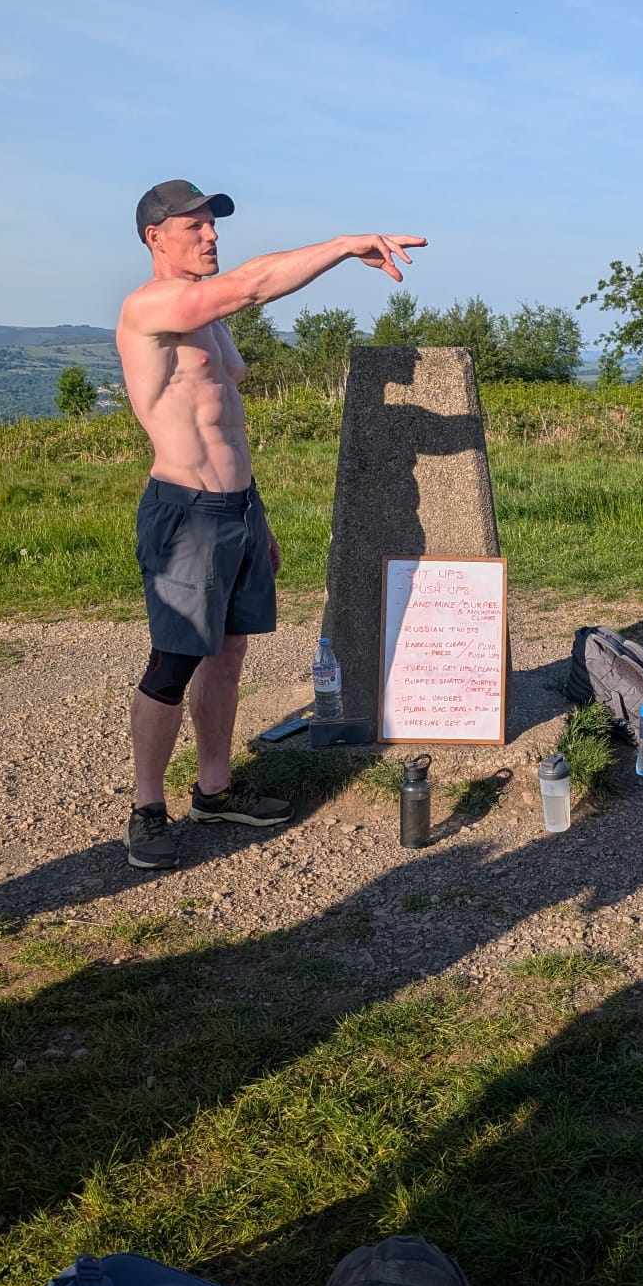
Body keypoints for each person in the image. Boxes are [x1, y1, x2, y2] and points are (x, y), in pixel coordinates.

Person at [117, 178, 425, 869]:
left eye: (212, 225)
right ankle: (145, 809)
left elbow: (224, 422)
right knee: (173, 662)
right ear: (154, 238)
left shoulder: (211, 321)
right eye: (193, 227)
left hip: (237, 508)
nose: (211, 236)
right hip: (185, 512)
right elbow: (255, 285)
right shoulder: (156, 306)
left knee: (229, 654)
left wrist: (258, 519)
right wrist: (348, 245)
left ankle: (215, 788)